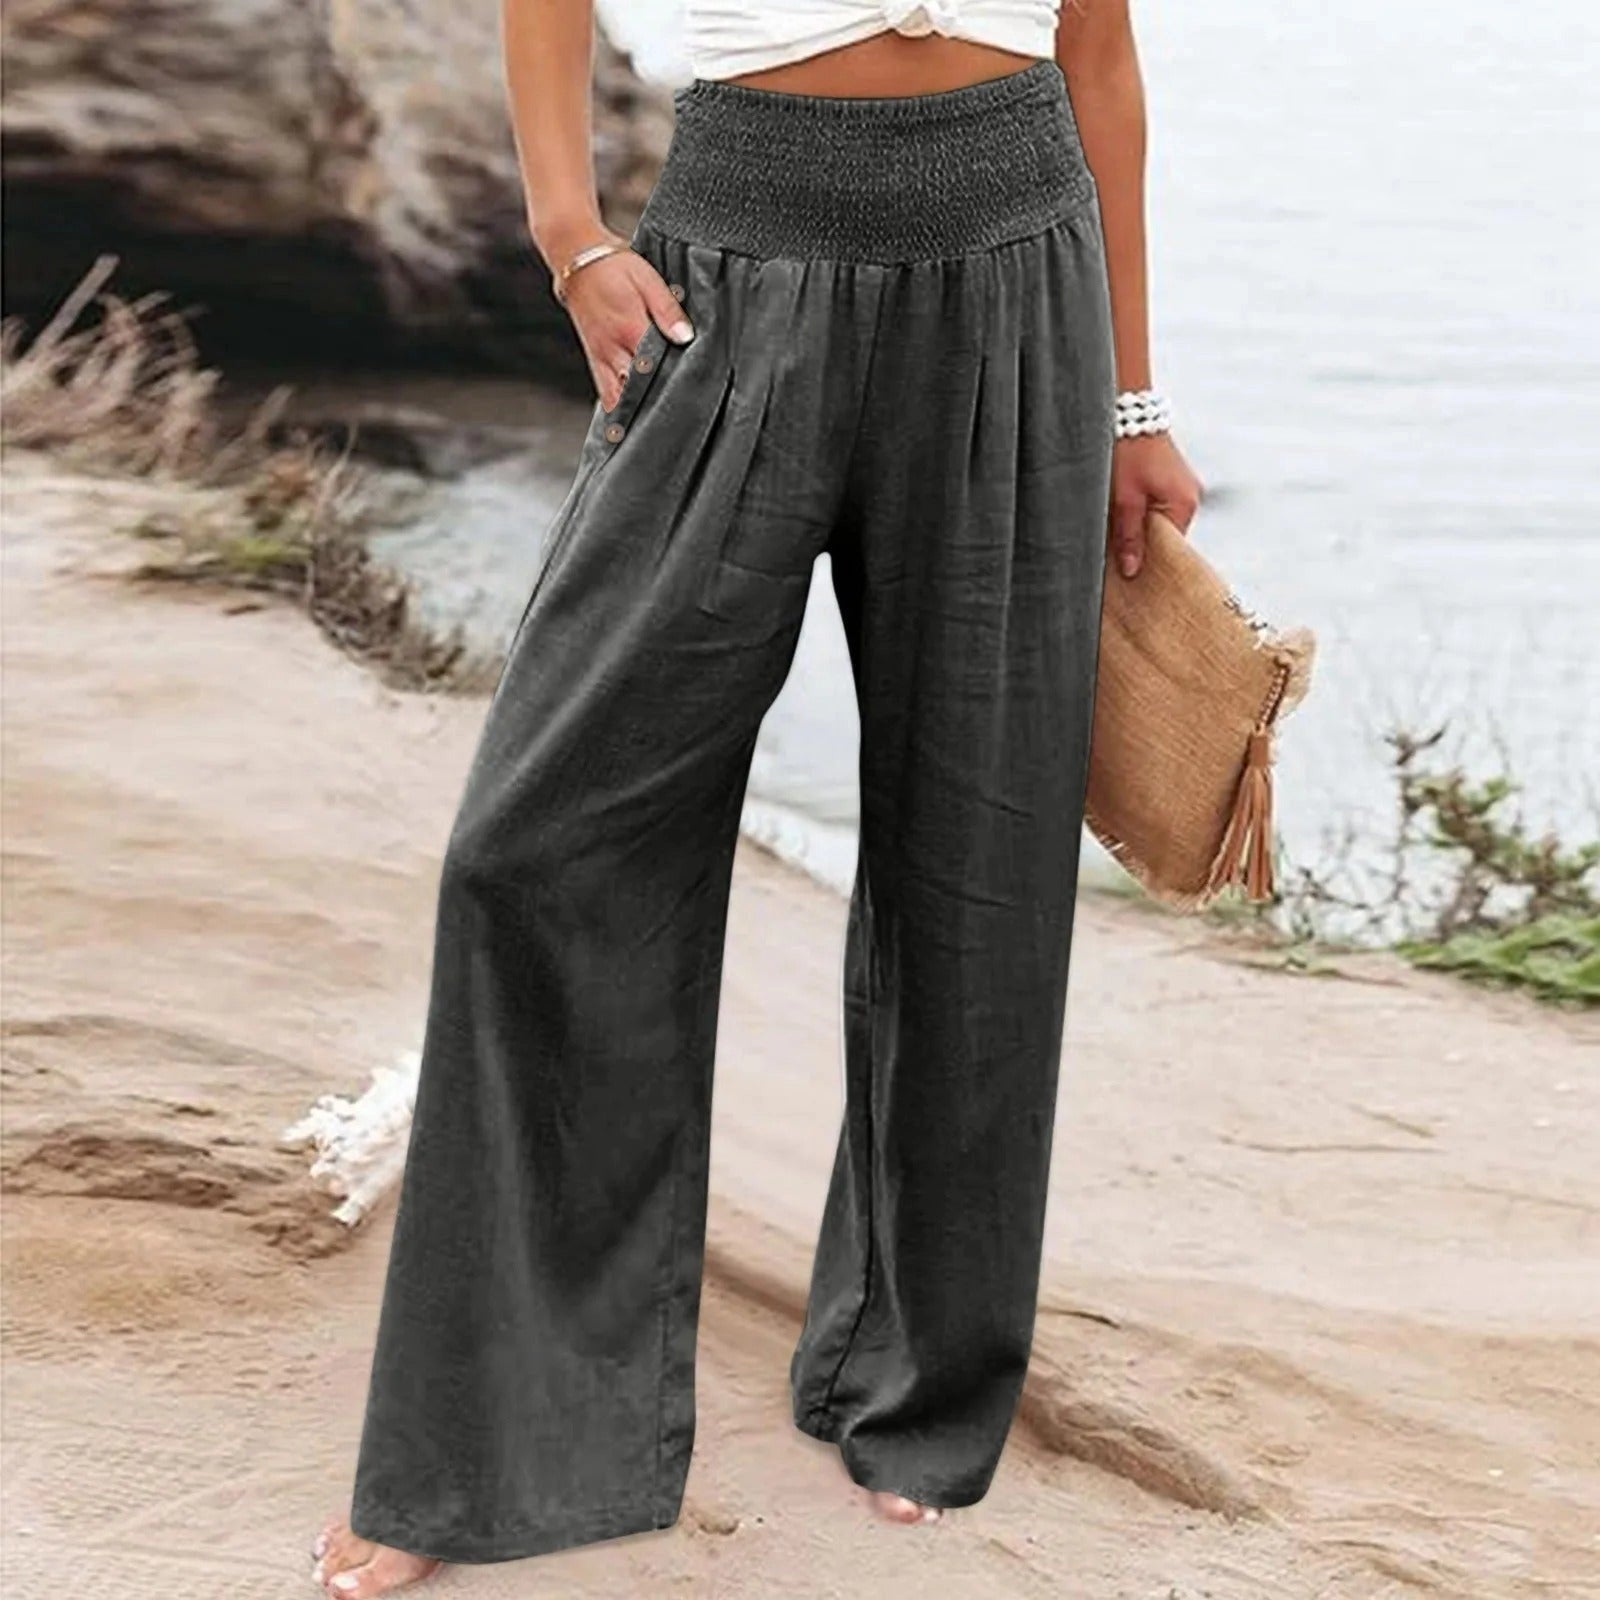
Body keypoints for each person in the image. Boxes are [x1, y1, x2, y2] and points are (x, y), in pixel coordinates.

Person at [311, 0, 1201, 1592]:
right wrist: (569, 233)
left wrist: (1135, 406)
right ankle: (489, 1444)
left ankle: (912, 1380)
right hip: (736, 262)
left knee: (981, 853)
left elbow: (1103, 54)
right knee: (534, 848)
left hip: (1019, 259)